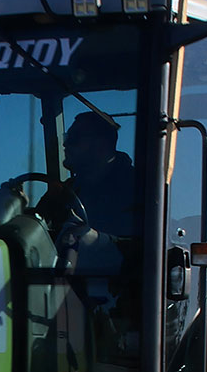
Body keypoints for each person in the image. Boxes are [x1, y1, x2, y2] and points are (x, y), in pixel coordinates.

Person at [37, 111, 136, 271]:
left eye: (74, 138)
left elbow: (149, 251)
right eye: (67, 137)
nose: (65, 144)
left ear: (101, 145)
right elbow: (38, 225)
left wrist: (97, 241)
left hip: (111, 288)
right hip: (59, 285)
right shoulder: (66, 191)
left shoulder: (137, 188)